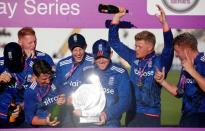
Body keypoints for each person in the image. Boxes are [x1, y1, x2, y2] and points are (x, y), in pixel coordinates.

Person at [108, 5, 174, 127]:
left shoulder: (160, 61)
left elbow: (169, 47)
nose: (136, 49)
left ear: (150, 48)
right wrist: (117, 17)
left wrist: (164, 23)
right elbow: (114, 41)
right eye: (135, 46)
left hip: (151, 115)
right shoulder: (133, 57)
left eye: (140, 46)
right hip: (132, 113)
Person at [70, 39, 131, 127]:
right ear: (93, 57)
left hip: (111, 122)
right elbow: (79, 92)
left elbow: (125, 101)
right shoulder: (87, 71)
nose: (101, 60)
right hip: (89, 121)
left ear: (111, 54)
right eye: (98, 57)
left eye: (104, 56)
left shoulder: (120, 73)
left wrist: (106, 115)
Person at [154, 32, 205, 127]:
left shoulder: (202, 62)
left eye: (177, 51)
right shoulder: (186, 65)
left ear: (186, 50)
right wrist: (162, 82)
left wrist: (192, 71)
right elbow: (180, 92)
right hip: (187, 117)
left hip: (201, 116)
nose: (176, 55)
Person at [54, 33, 94, 127]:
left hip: (88, 106)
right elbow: (59, 85)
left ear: (85, 47)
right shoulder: (62, 65)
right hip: (68, 106)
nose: (78, 53)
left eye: (80, 49)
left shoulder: (93, 61)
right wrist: (67, 97)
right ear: (70, 49)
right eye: (75, 50)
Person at [24, 60, 63, 127]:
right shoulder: (30, 92)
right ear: (35, 77)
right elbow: (30, 119)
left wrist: (64, 97)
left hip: (62, 120)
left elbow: (66, 92)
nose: (48, 81)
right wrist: (46, 122)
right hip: (44, 124)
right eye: (44, 79)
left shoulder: (56, 79)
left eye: (49, 77)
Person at [0, 42, 25, 128]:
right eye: (9, 64)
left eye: (15, 63)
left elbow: (38, 96)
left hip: (21, 118)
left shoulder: (31, 68)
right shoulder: (0, 64)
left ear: (22, 56)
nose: (12, 68)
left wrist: (21, 107)